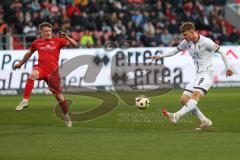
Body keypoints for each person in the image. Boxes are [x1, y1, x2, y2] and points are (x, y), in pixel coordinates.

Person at [150, 22, 233, 130]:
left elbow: (221, 51)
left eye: (185, 35)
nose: (183, 37)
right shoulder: (187, 42)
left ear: (192, 32)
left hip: (207, 74)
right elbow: (175, 50)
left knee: (195, 96)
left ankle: (177, 115)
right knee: (184, 100)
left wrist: (228, 68)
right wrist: (160, 56)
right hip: (197, 74)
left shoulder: (206, 42)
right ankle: (205, 121)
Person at [13, 22, 78, 127]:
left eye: (49, 31)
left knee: (60, 98)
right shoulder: (37, 43)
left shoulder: (58, 40)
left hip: (53, 73)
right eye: (45, 31)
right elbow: (29, 53)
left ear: (51, 31)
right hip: (41, 69)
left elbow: (75, 45)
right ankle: (25, 101)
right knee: (33, 74)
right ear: (41, 32)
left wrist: (67, 37)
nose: (48, 33)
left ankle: (66, 116)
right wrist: (20, 63)